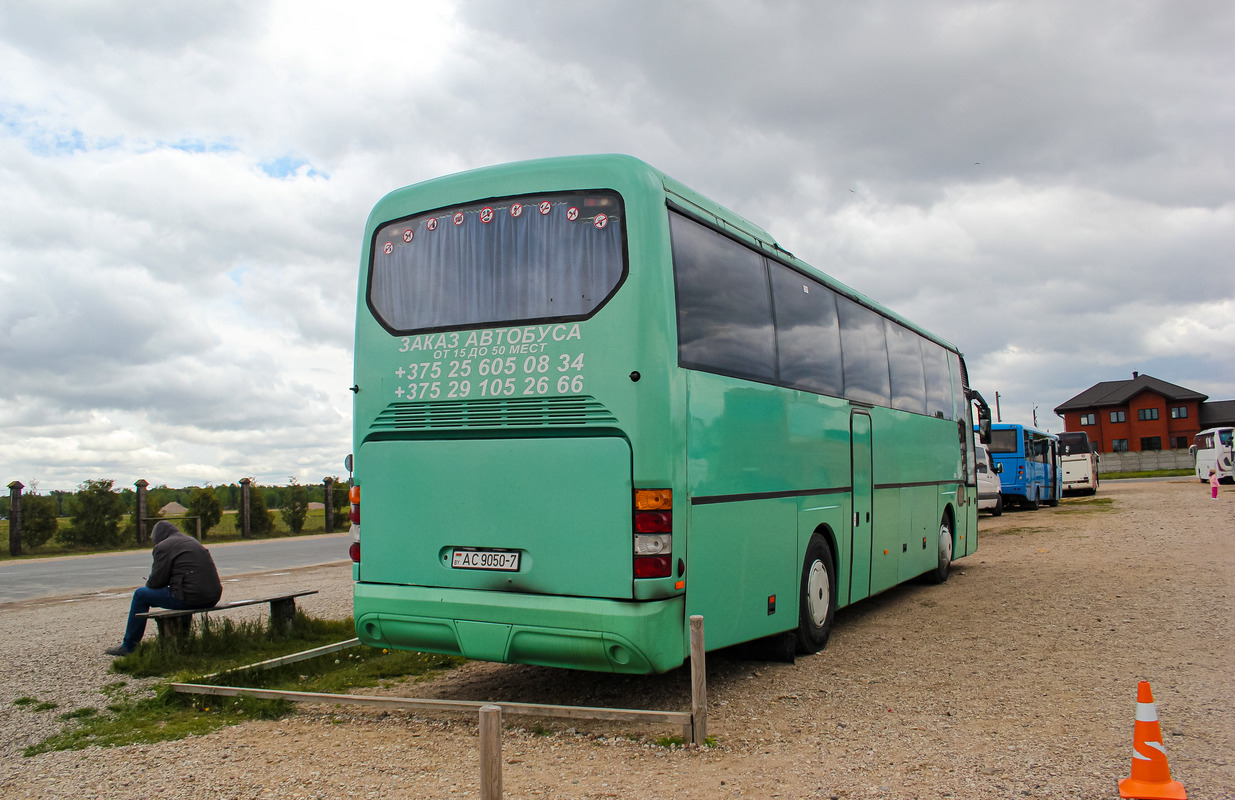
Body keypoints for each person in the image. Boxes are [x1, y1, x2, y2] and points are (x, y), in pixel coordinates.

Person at [105, 520, 223, 656]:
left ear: (158, 536)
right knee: (185, 591)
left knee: (140, 594)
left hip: (191, 597)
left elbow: (156, 582)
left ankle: (129, 645)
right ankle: (183, 639)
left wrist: (150, 581)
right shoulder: (191, 541)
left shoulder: (163, 546)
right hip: (212, 596)